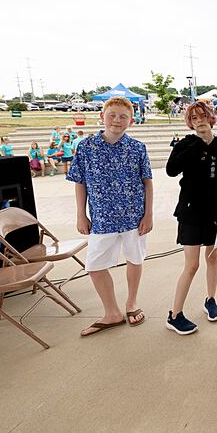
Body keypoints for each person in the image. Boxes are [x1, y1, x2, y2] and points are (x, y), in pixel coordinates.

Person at [67, 96, 153, 337]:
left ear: (131, 121)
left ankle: (131, 303)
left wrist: (149, 214)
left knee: (135, 259)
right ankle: (112, 312)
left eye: (123, 116)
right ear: (102, 117)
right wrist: (80, 215)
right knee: (94, 266)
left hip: (134, 218)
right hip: (102, 219)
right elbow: (80, 183)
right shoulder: (85, 147)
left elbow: (147, 183)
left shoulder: (138, 148)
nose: (117, 120)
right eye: (112, 115)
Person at [165, 101, 217, 335]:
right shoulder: (185, 144)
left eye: (202, 116)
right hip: (189, 211)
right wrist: (198, 144)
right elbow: (171, 169)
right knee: (192, 265)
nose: (199, 120)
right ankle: (175, 314)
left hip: (216, 213)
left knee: (212, 259)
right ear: (190, 122)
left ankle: (210, 299)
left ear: (211, 117)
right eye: (194, 118)